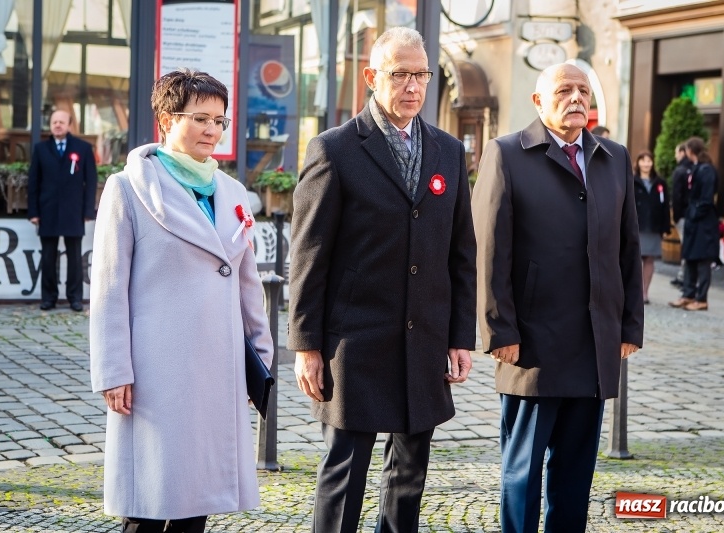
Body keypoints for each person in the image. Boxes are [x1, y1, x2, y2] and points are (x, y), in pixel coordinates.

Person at [288, 27, 476, 533]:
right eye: (400, 74)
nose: (413, 86)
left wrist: (460, 336)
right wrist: (307, 345)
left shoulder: (448, 152)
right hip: (355, 340)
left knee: (409, 474)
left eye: (421, 75)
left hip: (425, 340)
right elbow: (308, 255)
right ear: (372, 77)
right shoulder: (334, 150)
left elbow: (461, 253)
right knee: (345, 472)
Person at [89, 69, 273, 533]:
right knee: (148, 501)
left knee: (197, 502)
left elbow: (246, 282)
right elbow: (109, 289)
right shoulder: (128, 188)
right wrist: (114, 370)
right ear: (166, 121)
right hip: (156, 371)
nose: (212, 129)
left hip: (218, 365)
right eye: (200, 118)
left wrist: (261, 362)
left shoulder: (230, 191)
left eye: (220, 120)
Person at [472, 63, 643, 533]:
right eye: (564, 90)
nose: (576, 99)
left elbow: (628, 248)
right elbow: (489, 251)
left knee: (575, 475)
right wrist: (498, 329)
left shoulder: (614, 157)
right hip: (532, 345)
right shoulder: (506, 153)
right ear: (538, 101)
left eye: (583, 91)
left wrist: (629, 326)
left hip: (594, 344)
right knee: (523, 473)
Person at [28, 109, 97, 311]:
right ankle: (48, 298)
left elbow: (90, 181)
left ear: (69, 125)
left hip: (73, 211)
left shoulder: (83, 148)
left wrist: (87, 211)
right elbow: (34, 182)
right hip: (47, 210)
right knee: (48, 257)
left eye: (61, 122)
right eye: (54, 122)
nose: (57, 125)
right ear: (50, 125)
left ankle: (74, 298)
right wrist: (33, 212)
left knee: (75, 257)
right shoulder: (40, 149)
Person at [669, 136, 720, 311]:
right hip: (693, 221)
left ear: (690, 151)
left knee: (703, 260)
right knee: (689, 257)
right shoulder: (695, 167)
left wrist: (694, 213)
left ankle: (701, 299)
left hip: (703, 223)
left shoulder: (707, 170)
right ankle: (688, 294)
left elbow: (707, 199)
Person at [633, 150, 671, 304]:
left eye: (649, 161)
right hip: (636, 225)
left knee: (649, 259)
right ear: (638, 163)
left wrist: (666, 227)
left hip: (654, 226)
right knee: (634, 259)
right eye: (643, 160)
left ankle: (644, 292)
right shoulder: (631, 180)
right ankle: (633, 292)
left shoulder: (660, 182)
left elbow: (665, 206)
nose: (646, 164)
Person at [670, 142, 693, 287]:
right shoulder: (693, 169)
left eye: (677, 152)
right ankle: (684, 275)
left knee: (686, 245)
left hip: (684, 214)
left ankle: (684, 276)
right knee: (689, 244)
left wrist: (676, 215)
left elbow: (677, 195)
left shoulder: (681, 170)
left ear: (683, 152)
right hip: (693, 213)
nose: (675, 155)